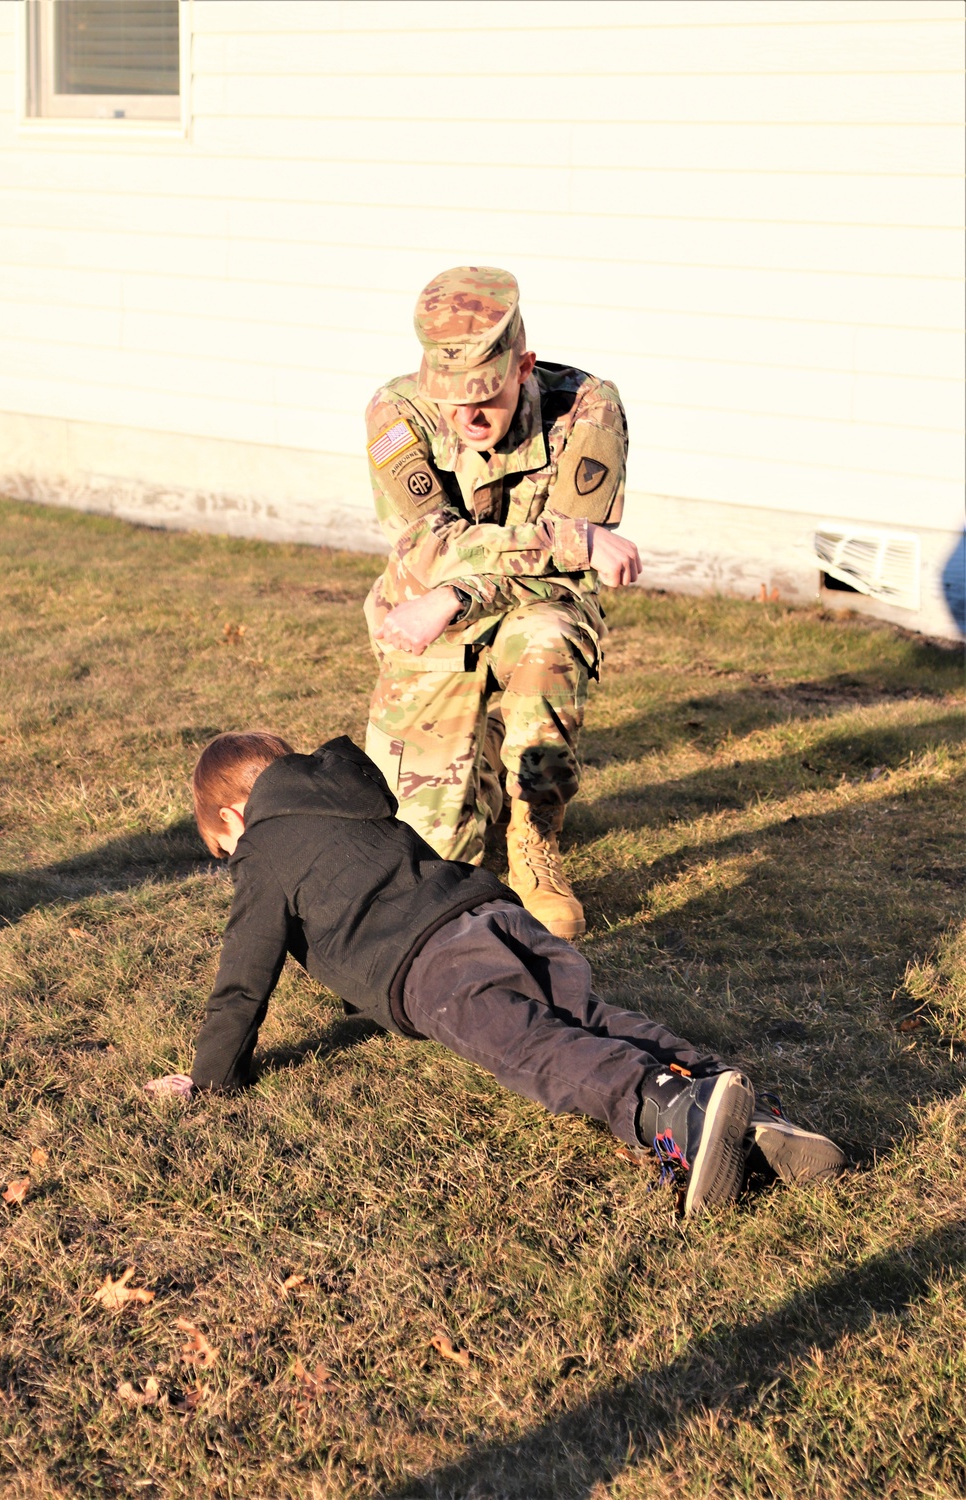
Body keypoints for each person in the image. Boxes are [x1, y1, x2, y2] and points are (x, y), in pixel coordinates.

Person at [145, 732, 846, 1218]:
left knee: (533, 1048)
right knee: (587, 1016)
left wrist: (212, 1080)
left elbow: (243, 979)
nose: (233, 860)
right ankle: (733, 1099)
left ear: (235, 815)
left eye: (223, 849)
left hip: (432, 968)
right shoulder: (346, 799)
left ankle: (671, 1112)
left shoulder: (264, 847)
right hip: (494, 916)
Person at [362, 265, 642, 941]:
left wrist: (460, 590)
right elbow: (432, 550)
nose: (468, 418)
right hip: (430, 623)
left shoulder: (588, 408)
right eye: (452, 401)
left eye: (486, 396)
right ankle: (486, 763)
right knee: (426, 861)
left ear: (525, 365)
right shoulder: (396, 411)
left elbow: (561, 583)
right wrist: (568, 537)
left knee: (548, 638)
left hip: (529, 610)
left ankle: (534, 835)